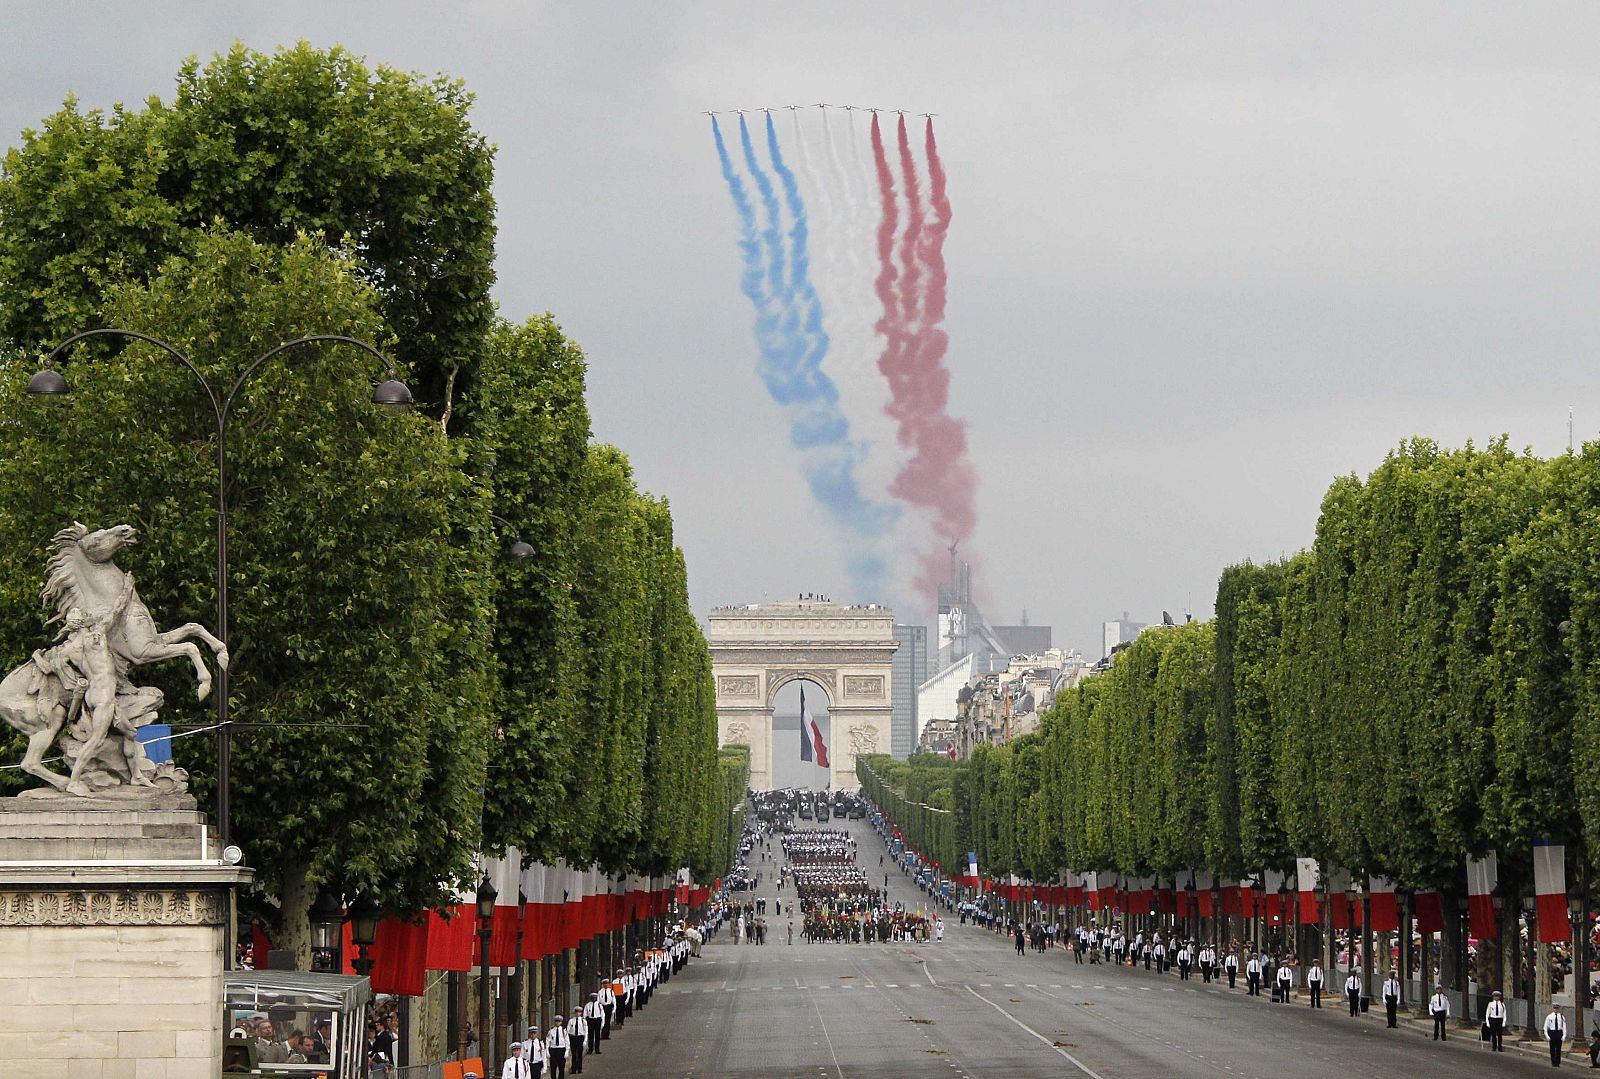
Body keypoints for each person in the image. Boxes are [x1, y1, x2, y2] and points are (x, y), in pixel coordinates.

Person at [1546, 1003, 1568, 1067]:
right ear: (1553, 1009)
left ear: (1559, 1009)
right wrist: (1547, 1036)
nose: (1556, 1009)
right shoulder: (1549, 1016)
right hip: (1552, 1032)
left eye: (1557, 1008)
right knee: (1552, 1048)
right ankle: (1553, 1061)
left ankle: (1557, 1062)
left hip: (1559, 1032)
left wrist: (1564, 1035)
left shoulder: (1561, 1017)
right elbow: (1546, 1027)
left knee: (1558, 1048)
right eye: (1555, 1008)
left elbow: (1564, 1027)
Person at [567, 1007, 586, 1074]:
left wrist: (585, 1040)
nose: (578, 1014)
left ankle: (579, 1068)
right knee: (574, 1054)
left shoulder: (583, 1021)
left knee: (580, 1054)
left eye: (579, 1012)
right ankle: (573, 1068)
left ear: (581, 1013)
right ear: (574, 1013)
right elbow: (568, 1031)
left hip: (580, 1037)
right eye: (576, 1012)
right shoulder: (571, 1021)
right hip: (573, 1038)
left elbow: (586, 1031)